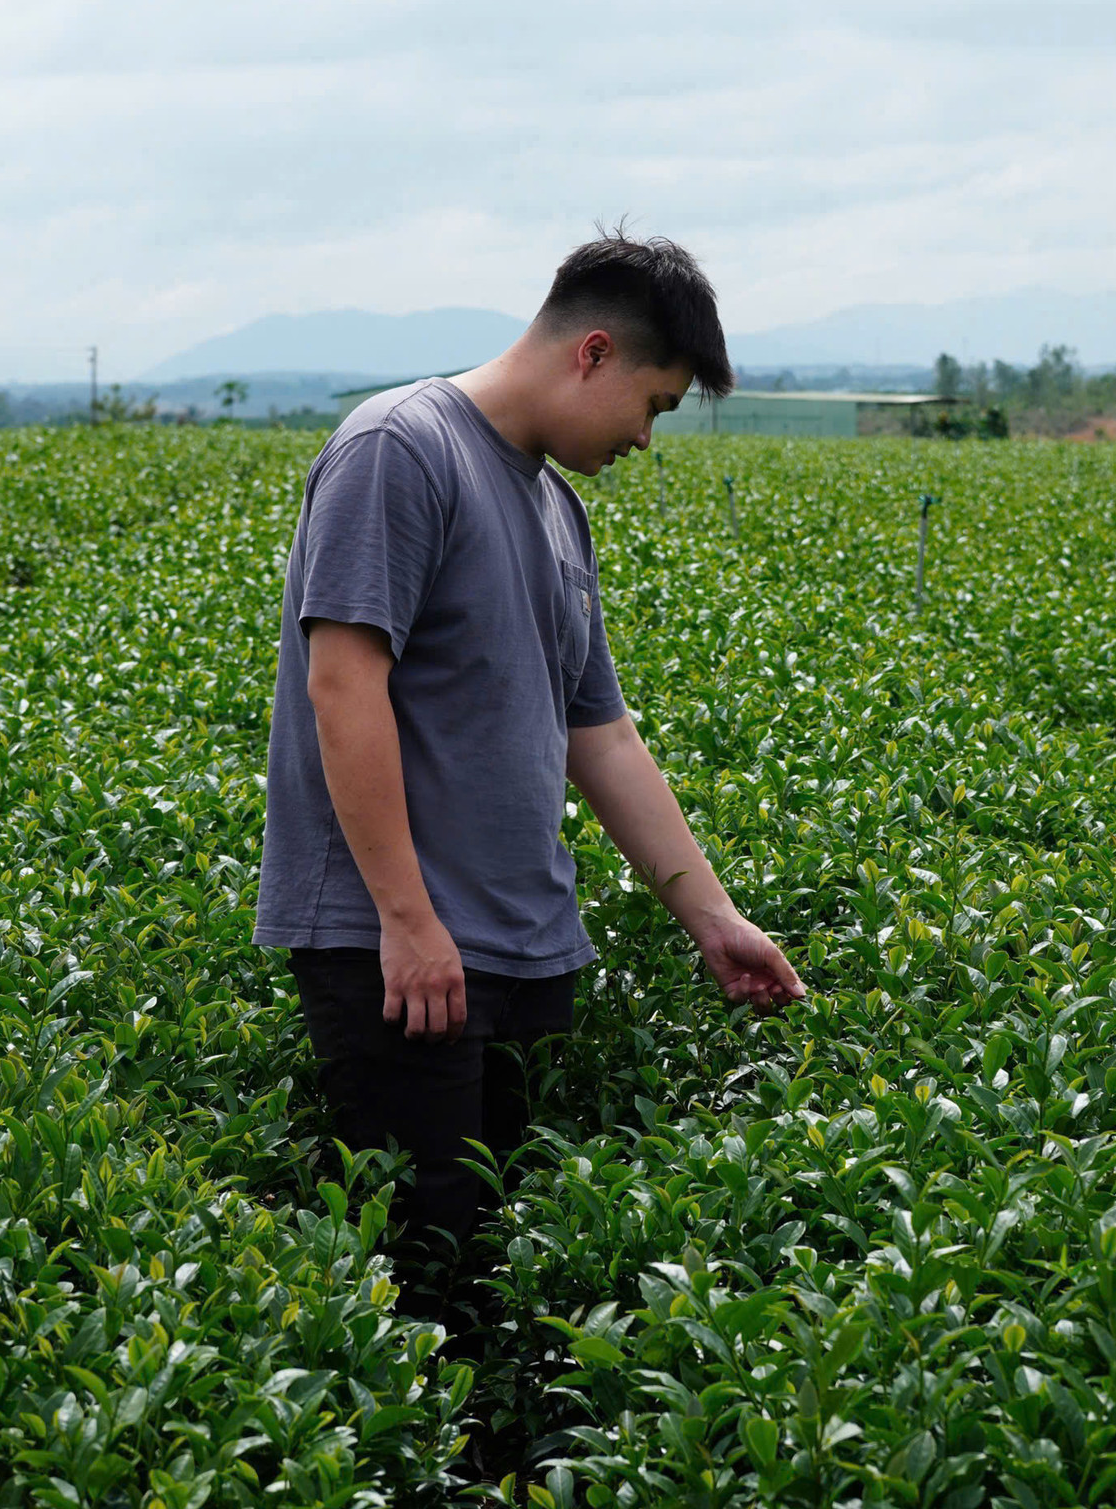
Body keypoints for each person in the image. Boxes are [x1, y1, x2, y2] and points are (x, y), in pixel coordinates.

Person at [253, 229, 805, 1312]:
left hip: (509, 948)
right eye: (654, 404)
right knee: (427, 1287)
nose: (647, 438)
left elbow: (597, 733)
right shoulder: (399, 449)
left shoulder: (557, 509)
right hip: (402, 953)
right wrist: (407, 921)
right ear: (592, 353)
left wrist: (713, 918)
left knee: (494, 1270)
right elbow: (343, 686)